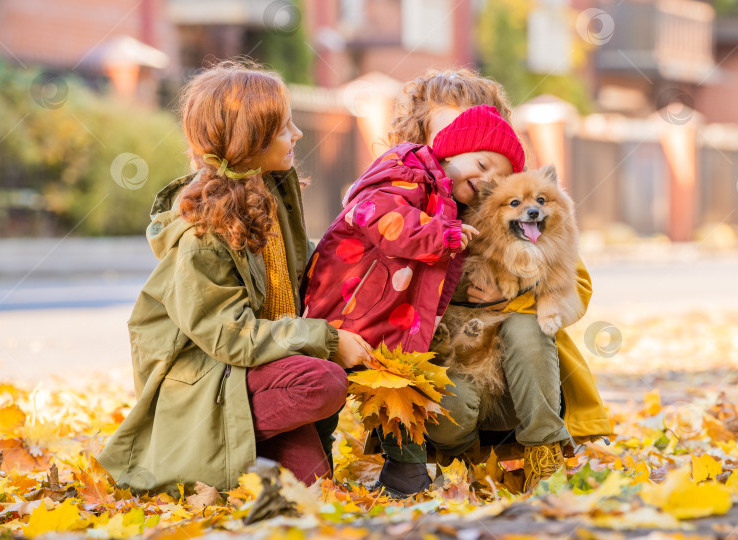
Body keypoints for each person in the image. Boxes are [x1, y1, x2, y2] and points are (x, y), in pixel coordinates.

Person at [97, 61, 373, 496]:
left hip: (259, 372)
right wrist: (329, 340)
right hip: (210, 381)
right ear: (251, 140)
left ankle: (248, 453)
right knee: (324, 378)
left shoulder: (272, 194)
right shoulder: (202, 237)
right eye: (284, 128)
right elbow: (231, 337)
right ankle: (201, 453)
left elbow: (299, 278)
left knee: (313, 490)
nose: (298, 134)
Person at [374, 68, 612, 495]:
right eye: (449, 132)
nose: (465, 143)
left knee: (525, 330)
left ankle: (545, 453)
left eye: (481, 141)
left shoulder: (519, 206)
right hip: (449, 368)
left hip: (519, 375)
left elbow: (572, 283)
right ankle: (456, 461)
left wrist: (515, 291)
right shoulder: (403, 202)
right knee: (451, 409)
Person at [300, 104, 526, 494]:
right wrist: (444, 235)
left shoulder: (448, 199)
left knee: (397, 393)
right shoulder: (405, 175)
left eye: (499, 179)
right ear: (452, 151)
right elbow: (386, 221)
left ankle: (405, 477)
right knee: (329, 390)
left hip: (389, 321)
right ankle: (313, 466)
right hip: (345, 308)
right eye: (483, 163)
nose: (487, 179)